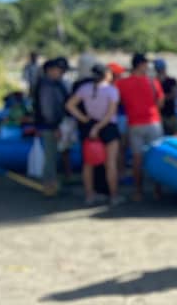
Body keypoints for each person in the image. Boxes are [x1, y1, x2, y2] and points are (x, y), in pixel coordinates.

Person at [65, 63, 122, 205]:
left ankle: (89, 195)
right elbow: (110, 113)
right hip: (108, 127)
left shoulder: (84, 89)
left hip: (89, 125)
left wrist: (84, 119)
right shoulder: (111, 90)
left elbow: (70, 105)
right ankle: (114, 195)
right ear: (106, 75)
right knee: (110, 163)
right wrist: (99, 126)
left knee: (88, 164)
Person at [115, 52, 164, 201]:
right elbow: (160, 100)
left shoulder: (122, 83)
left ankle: (138, 191)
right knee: (157, 156)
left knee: (137, 158)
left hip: (134, 123)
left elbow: (118, 102)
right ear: (141, 64)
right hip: (153, 121)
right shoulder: (152, 81)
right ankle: (157, 190)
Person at [32, 57, 70, 196]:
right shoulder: (47, 86)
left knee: (52, 156)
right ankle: (49, 185)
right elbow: (47, 108)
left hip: (52, 125)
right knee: (50, 157)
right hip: (49, 126)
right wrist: (54, 126)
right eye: (58, 70)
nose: (60, 73)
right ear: (50, 70)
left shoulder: (53, 84)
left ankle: (51, 183)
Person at [154, 58, 177, 135]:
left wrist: (161, 98)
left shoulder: (171, 80)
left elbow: (175, 94)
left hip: (170, 114)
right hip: (159, 116)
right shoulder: (154, 81)